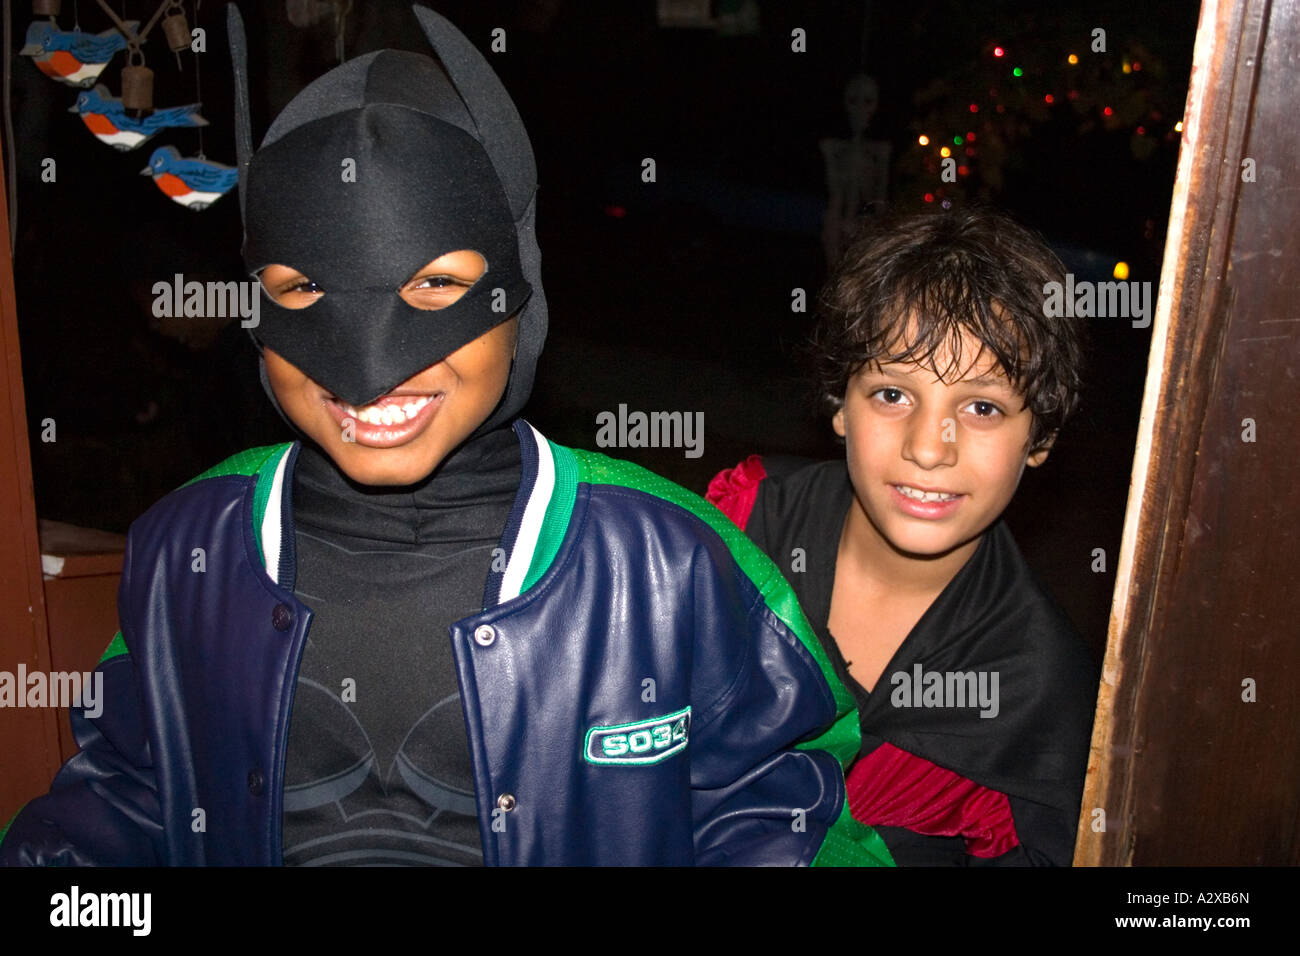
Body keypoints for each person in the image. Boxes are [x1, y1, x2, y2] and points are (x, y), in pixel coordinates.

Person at [0, 5, 892, 867]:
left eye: (435, 286)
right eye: (303, 290)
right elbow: (123, 796)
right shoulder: (185, 551)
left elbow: (783, 810)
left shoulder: (669, 562)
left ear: (520, 295)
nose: (369, 368)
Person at [708, 205, 1098, 865]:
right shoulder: (738, 531)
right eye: (893, 394)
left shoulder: (1043, 698)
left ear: (1041, 438)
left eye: (982, 407)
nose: (928, 448)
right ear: (840, 404)